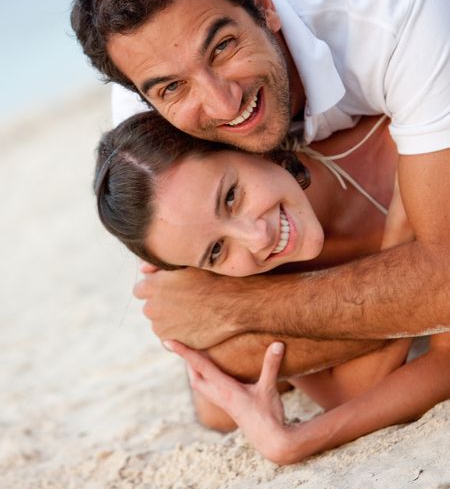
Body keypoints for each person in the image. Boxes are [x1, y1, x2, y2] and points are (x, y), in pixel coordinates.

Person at [71, 0, 450, 368]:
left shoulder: (396, 7)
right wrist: (400, 289)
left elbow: (445, 277)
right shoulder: (148, 105)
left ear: (262, 3)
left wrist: (236, 308)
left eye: (222, 47)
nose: (223, 103)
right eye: (172, 88)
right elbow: (208, 351)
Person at [93, 110, 450, 464]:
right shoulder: (260, 275)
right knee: (218, 386)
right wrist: (401, 241)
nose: (257, 237)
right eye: (216, 250)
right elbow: (350, 389)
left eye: (231, 197)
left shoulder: (411, 141)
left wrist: (302, 439)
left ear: (249, 148)